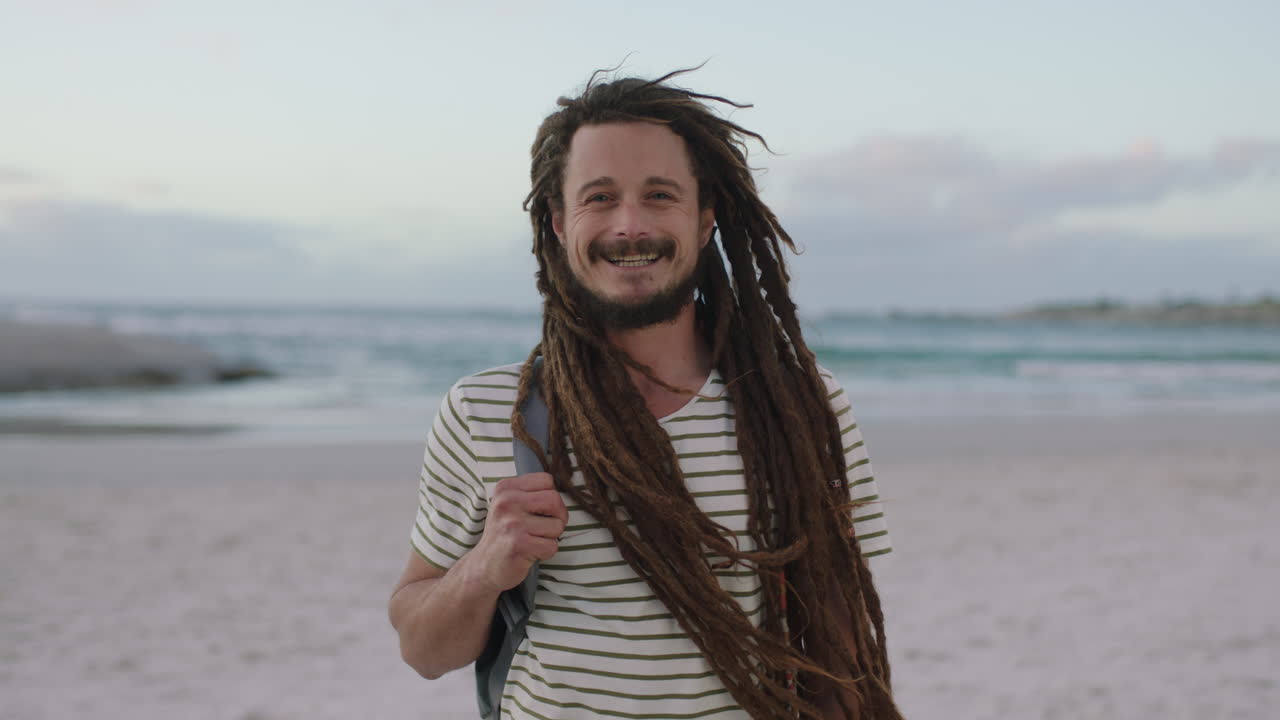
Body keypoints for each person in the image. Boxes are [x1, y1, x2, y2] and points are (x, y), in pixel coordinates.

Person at [389, 69, 902, 720]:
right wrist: (486, 567)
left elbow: (839, 652)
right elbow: (423, 650)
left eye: (659, 195)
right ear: (556, 221)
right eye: (599, 197)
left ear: (705, 218)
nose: (630, 224)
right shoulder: (486, 413)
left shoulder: (798, 409)